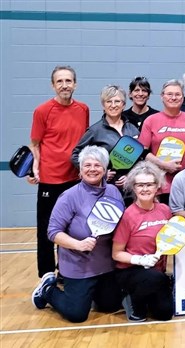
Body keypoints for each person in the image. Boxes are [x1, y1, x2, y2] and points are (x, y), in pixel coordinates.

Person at [31, 146, 123, 323]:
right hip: (78, 266)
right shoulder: (69, 196)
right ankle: (48, 290)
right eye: (87, 165)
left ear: (105, 169)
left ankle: (93, 292)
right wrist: (78, 244)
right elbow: (52, 232)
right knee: (77, 314)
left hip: (105, 265)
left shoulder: (113, 192)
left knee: (111, 306)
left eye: (97, 165)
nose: (92, 169)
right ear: (80, 170)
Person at [28, 65, 90, 278]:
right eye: (60, 81)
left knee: (73, 229)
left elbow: (84, 143)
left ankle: (68, 272)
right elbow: (35, 144)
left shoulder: (83, 109)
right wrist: (35, 167)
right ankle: (46, 275)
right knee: (46, 229)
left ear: (75, 84)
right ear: (53, 85)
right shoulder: (42, 111)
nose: (64, 85)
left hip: (75, 179)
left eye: (68, 81)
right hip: (49, 180)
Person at [112, 161, 174, 322]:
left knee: (164, 314)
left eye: (149, 184)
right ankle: (131, 300)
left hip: (156, 271)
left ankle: (150, 295)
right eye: (140, 185)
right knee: (157, 279)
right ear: (133, 188)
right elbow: (116, 254)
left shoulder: (165, 211)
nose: (145, 189)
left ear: (157, 187)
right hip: (130, 270)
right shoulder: (128, 215)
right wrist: (140, 260)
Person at [139, 80, 185, 205]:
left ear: (182, 97)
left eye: (177, 94)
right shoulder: (151, 120)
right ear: (162, 96)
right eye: (169, 94)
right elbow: (143, 151)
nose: (173, 98)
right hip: (160, 186)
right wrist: (163, 164)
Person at [71, 85, 140, 199]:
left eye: (117, 101)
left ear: (123, 105)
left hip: (131, 191)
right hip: (104, 192)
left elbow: (141, 159)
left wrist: (131, 176)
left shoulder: (132, 129)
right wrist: (99, 173)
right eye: (109, 101)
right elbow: (75, 155)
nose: (113, 105)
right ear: (103, 105)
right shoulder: (95, 130)